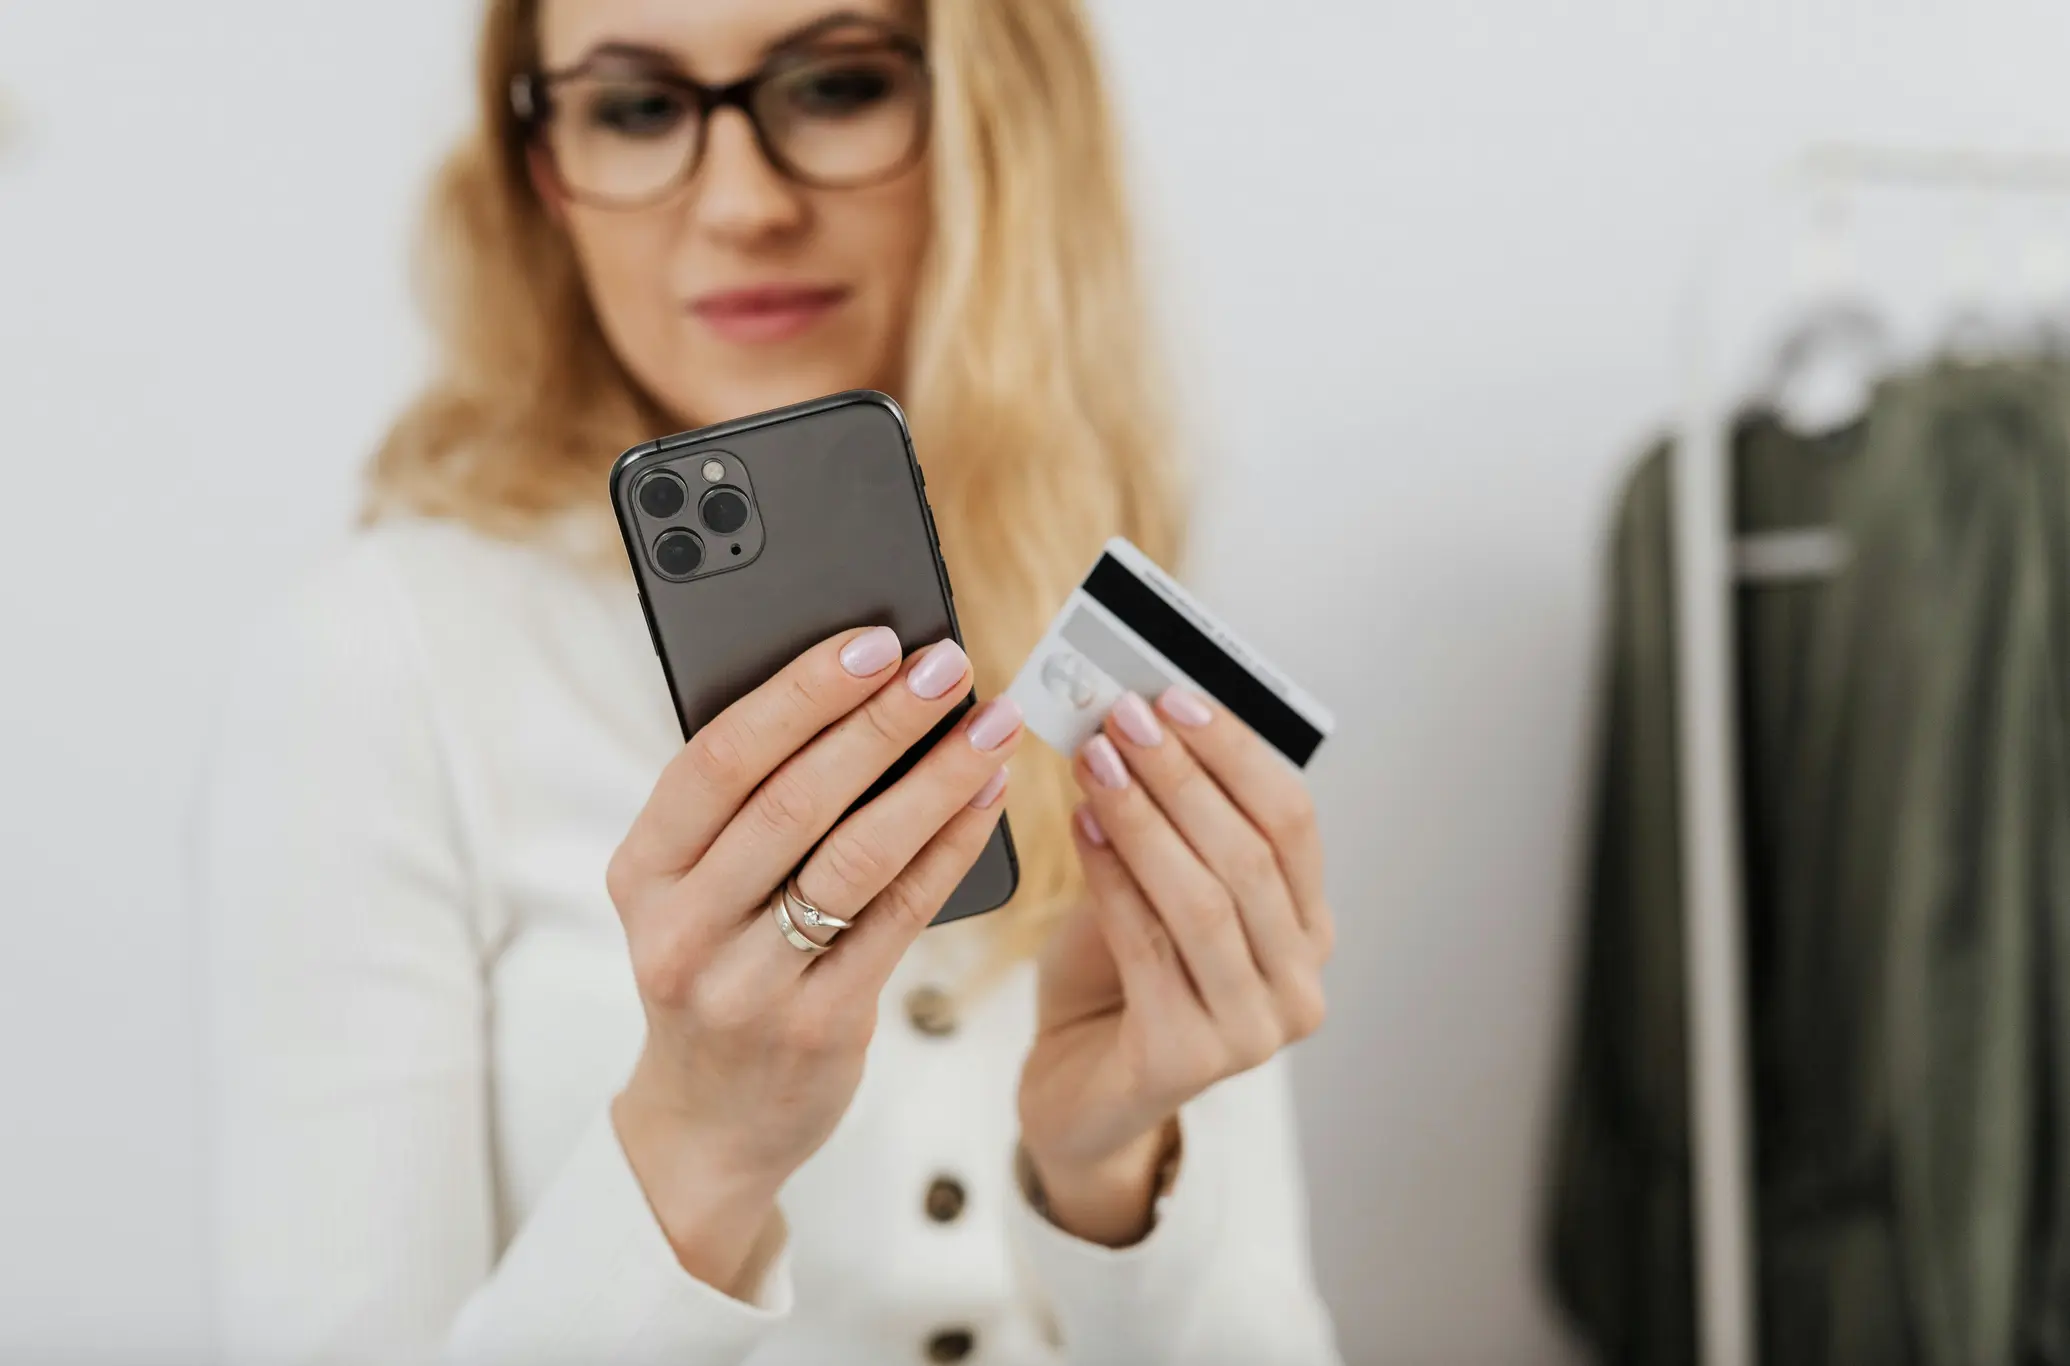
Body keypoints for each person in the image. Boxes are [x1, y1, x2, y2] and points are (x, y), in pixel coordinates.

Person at [197, 1, 1343, 1362]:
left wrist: (1110, 1174)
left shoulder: (1101, 619)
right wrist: (700, 1137)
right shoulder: (378, 665)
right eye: (634, 110)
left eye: (836, 86)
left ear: (995, 123)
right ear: (545, 173)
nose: (741, 204)